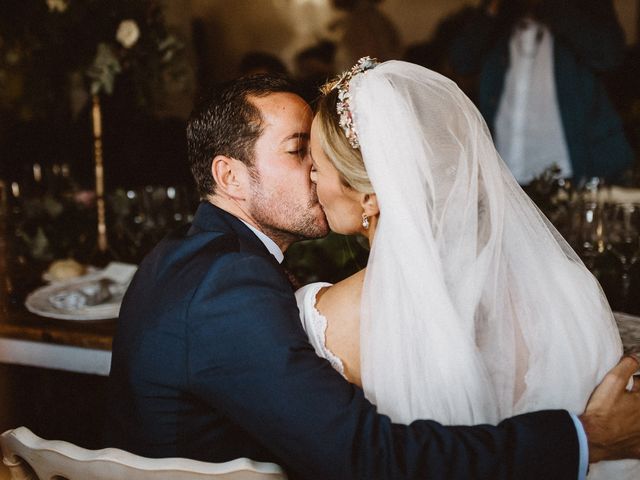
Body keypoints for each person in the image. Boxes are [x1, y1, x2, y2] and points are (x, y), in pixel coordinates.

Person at [107, 72, 640, 480]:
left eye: (319, 156)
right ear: (230, 176)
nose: (316, 174)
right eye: (300, 153)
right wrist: (585, 438)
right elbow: (357, 452)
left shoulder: (190, 255)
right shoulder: (229, 284)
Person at [298, 57, 640, 479]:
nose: (309, 178)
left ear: (370, 197)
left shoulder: (328, 321)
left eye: (316, 165)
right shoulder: (568, 286)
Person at [449, 0, 634, 185]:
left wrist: (550, 7)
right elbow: (462, 60)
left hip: (571, 173)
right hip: (507, 175)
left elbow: (610, 55)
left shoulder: (583, 10)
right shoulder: (500, 18)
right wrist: (493, 8)